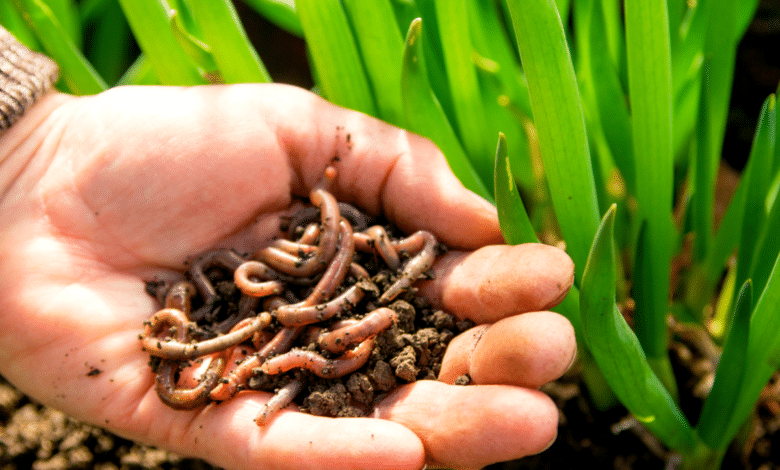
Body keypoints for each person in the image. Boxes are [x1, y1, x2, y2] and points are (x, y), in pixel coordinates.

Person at [0, 26, 577, 470]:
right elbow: (292, 318)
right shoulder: (253, 299)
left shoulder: (325, 279)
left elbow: (320, 313)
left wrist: (24, 152)